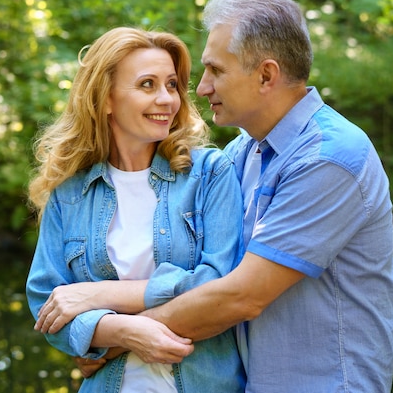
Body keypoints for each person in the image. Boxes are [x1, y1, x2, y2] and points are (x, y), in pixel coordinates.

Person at [39, 0, 393, 393]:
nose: (201, 87)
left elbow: (239, 296)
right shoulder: (242, 154)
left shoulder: (328, 158)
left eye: (215, 70)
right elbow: (45, 296)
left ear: (266, 75)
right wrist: (101, 332)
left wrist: (109, 336)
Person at [25, 27, 246, 393]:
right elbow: (46, 302)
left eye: (172, 85)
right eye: (147, 85)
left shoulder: (209, 173)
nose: (167, 99)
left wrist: (99, 297)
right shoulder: (71, 190)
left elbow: (218, 285)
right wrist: (123, 332)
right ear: (106, 98)